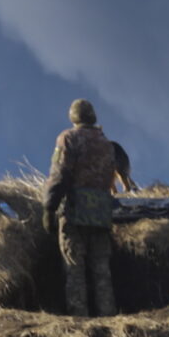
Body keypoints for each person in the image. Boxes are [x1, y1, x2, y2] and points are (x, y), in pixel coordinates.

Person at [42, 99, 119, 317]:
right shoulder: (106, 143)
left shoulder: (68, 138)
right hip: (102, 214)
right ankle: (108, 317)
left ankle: (79, 321)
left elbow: (59, 174)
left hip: (75, 212)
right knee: (101, 270)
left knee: (74, 267)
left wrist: (49, 207)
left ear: (73, 117)